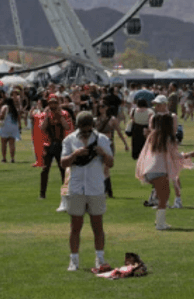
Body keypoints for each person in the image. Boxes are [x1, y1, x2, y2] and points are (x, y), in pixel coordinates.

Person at [60, 111, 114, 271]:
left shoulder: (102, 139)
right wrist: (75, 154)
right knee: (75, 227)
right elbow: (63, 163)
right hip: (76, 187)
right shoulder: (69, 139)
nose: (85, 132)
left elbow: (111, 163)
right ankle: (74, 260)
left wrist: (103, 153)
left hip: (95, 186)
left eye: (88, 129)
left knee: (98, 226)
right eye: (83, 129)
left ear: (92, 126)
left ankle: (100, 259)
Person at [134, 112, 194, 230]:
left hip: (150, 169)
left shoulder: (153, 136)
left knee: (163, 196)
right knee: (164, 197)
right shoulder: (167, 138)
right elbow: (175, 155)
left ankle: (160, 221)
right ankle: (160, 223)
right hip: (160, 170)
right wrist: (188, 155)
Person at [0, 96, 21, 163]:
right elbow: (18, 118)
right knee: (12, 144)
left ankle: (4, 158)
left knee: (3, 144)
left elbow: (1, 115)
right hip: (13, 127)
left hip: (5, 126)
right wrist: (20, 127)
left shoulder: (4, 107)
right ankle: (12, 158)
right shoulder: (14, 108)